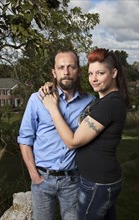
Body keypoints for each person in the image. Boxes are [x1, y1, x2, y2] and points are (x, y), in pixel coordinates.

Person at [39, 48, 129, 220]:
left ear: (114, 73)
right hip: (102, 181)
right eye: (90, 73)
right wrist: (54, 85)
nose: (94, 79)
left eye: (100, 73)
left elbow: (73, 141)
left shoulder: (109, 104)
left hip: (98, 183)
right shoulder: (104, 101)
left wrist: (52, 108)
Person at [17, 49, 95, 220]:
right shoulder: (37, 99)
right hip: (42, 180)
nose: (66, 72)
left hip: (73, 181)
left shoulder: (89, 102)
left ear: (79, 70)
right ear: (54, 72)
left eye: (70, 67)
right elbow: (25, 140)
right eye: (60, 67)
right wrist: (34, 176)